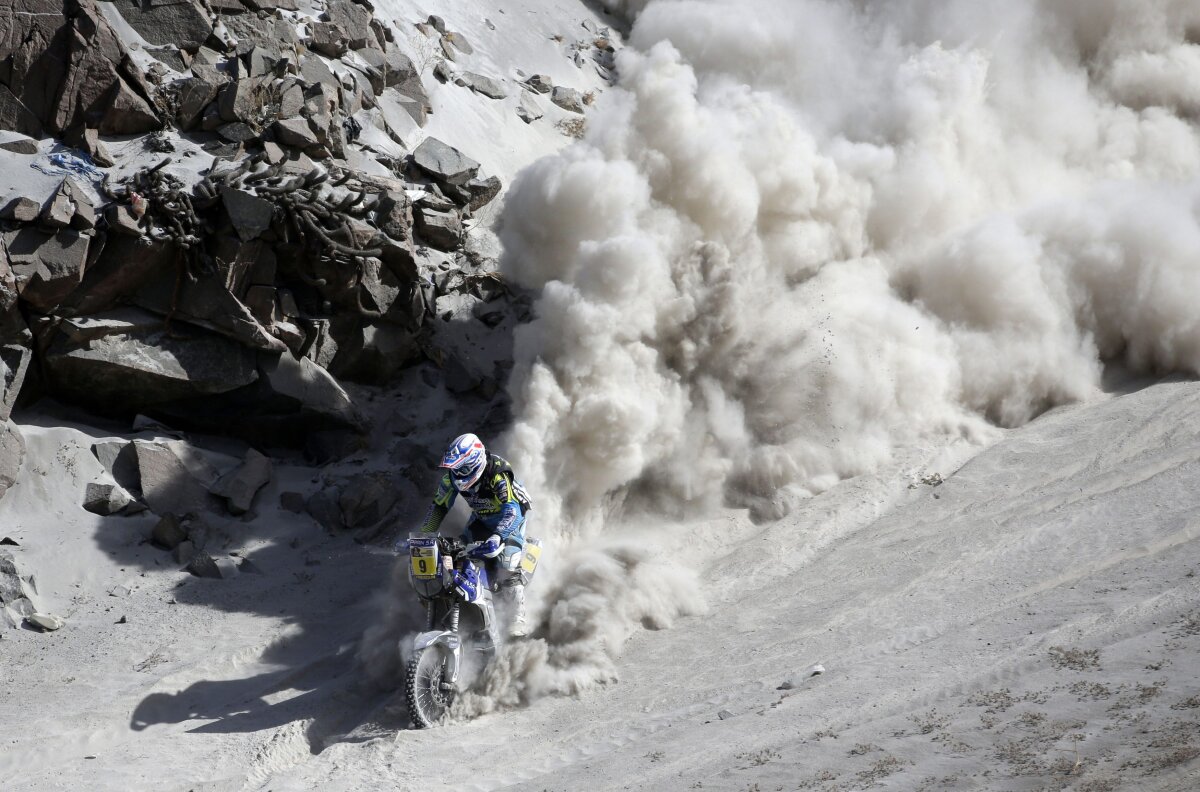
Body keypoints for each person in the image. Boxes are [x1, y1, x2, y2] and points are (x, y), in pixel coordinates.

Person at [416, 432, 533, 637]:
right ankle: (470, 613)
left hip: (511, 518)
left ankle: (517, 620)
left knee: (508, 563)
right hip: (482, 518)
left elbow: (512, 510)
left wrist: (498, 536)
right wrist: (423, 537)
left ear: (475, 462)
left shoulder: (497, 473)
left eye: (462, 468)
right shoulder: (451, 479)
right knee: (458, 553)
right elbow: (438, 507)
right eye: (455, 468)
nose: (458, 473)